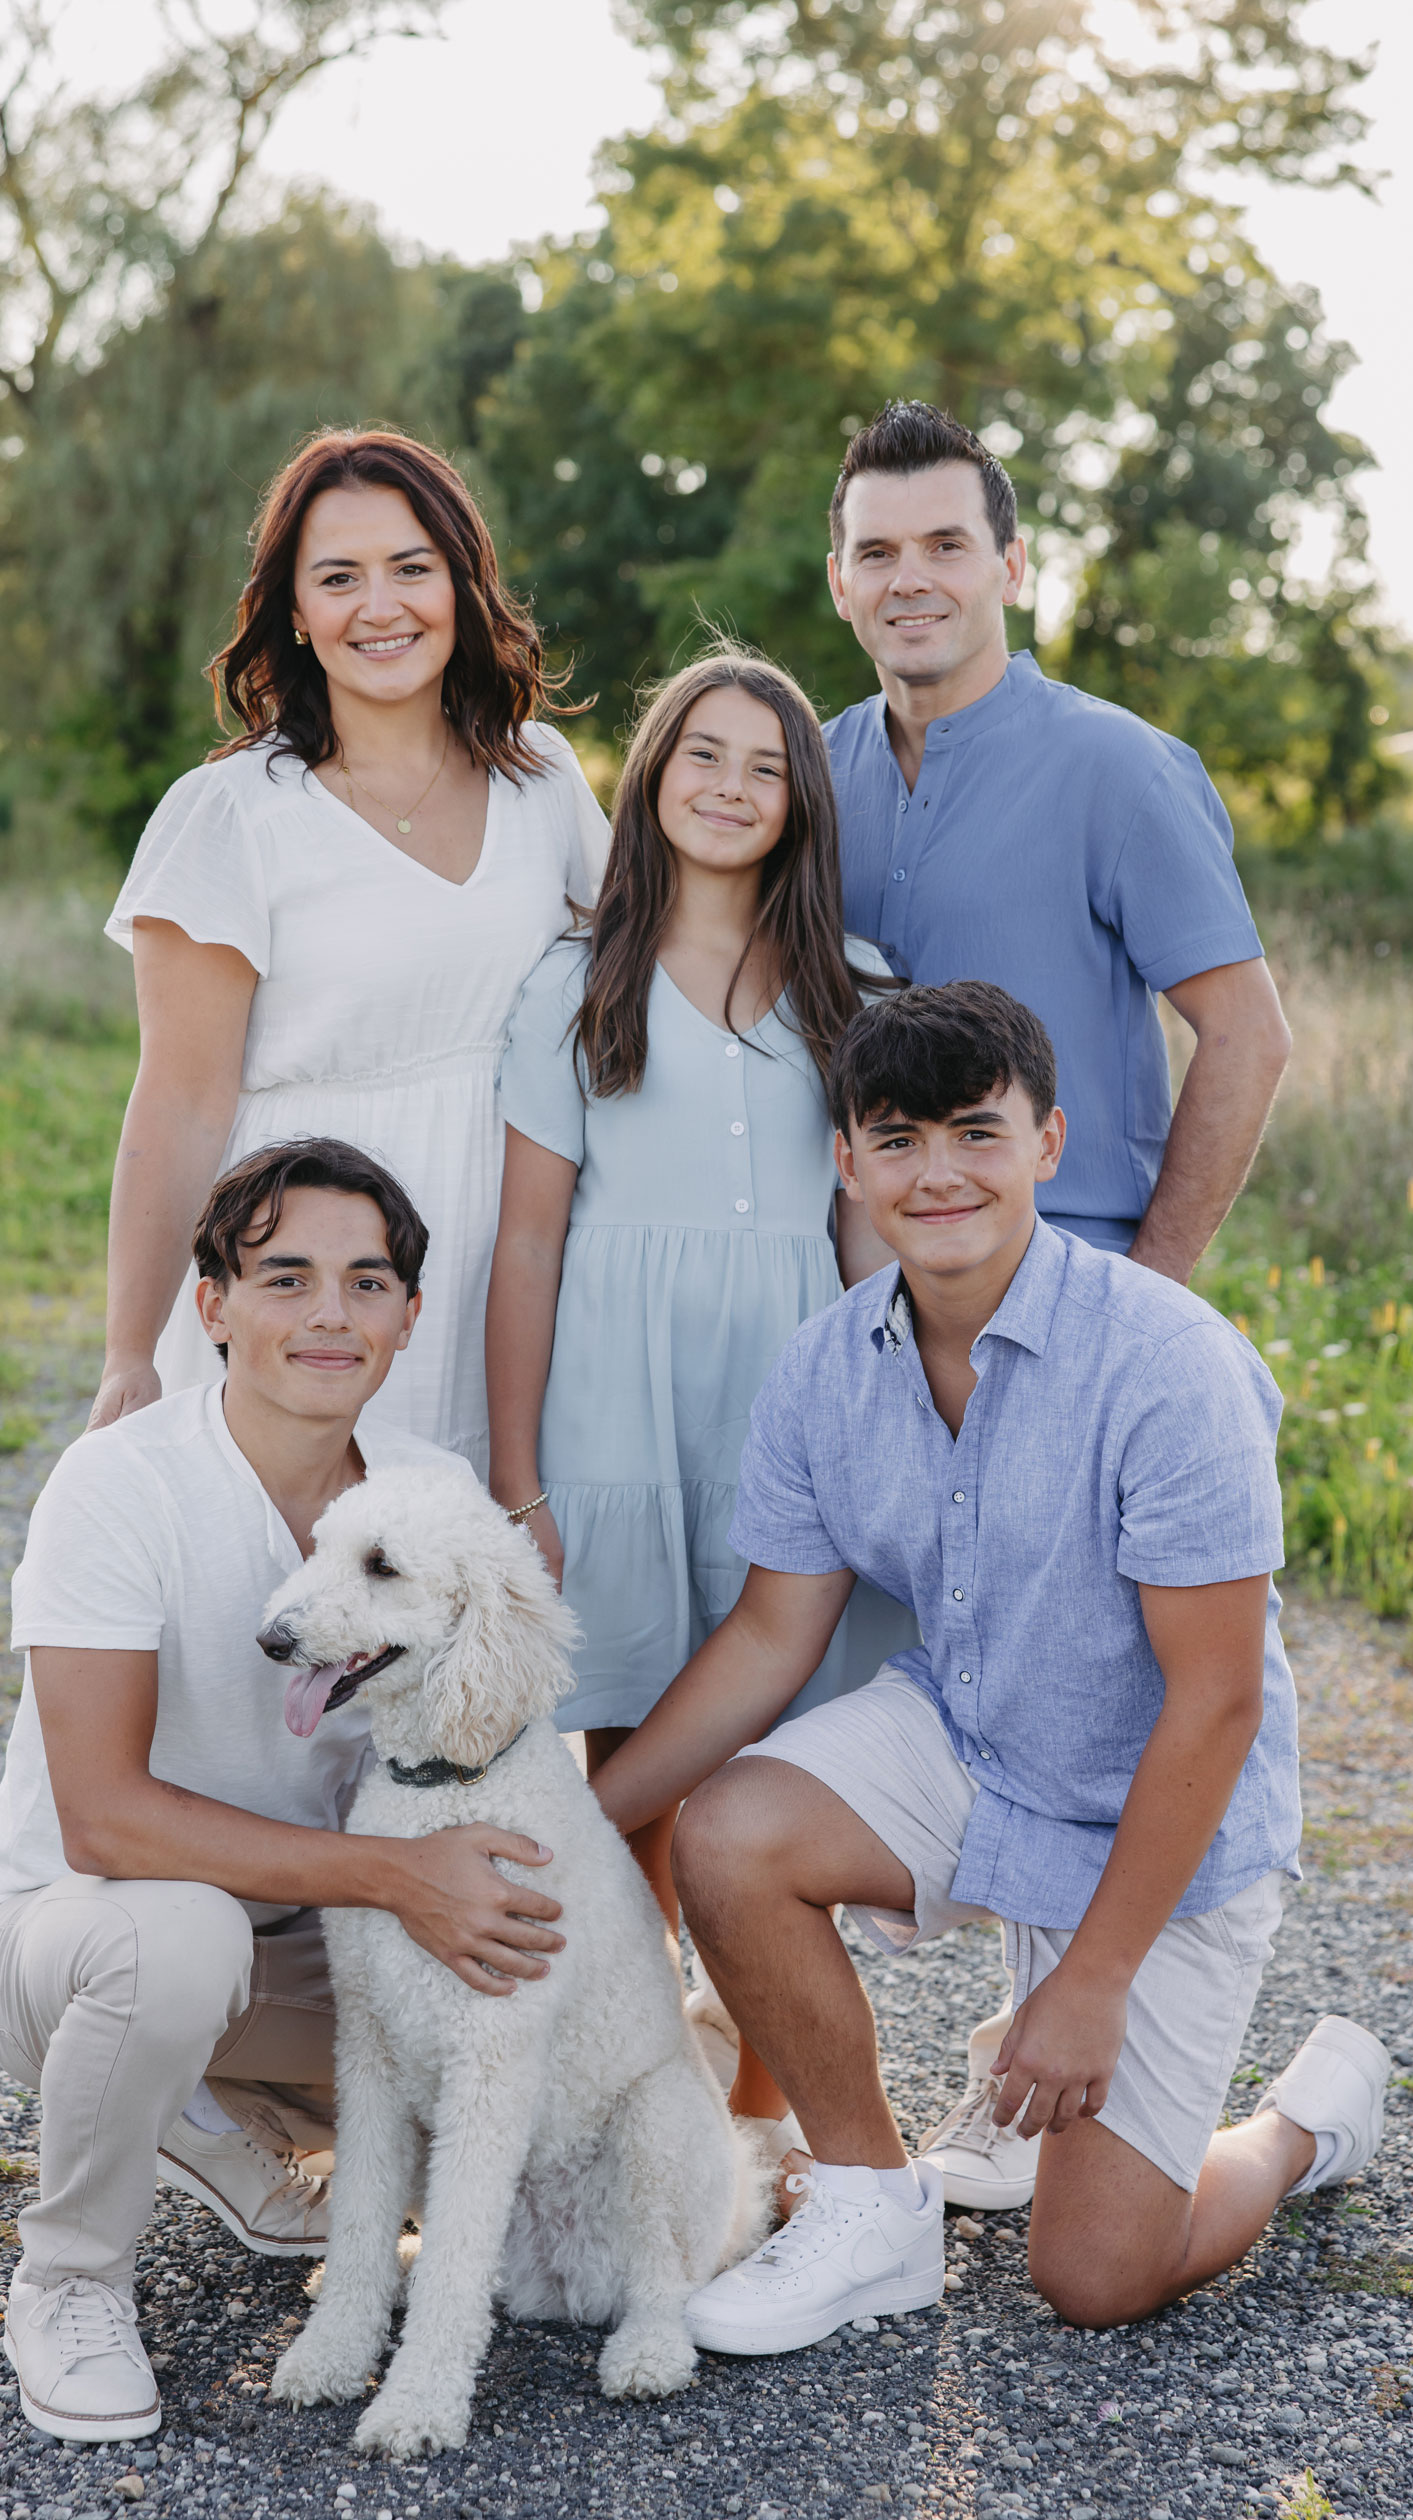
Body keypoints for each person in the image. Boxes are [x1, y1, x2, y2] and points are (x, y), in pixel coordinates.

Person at [591, 983, 1389, 2350]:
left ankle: (1304, 2125)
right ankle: (869, 2207)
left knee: (1097, 2277)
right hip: (976, 1746)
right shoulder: (824, 1368)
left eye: (977, 1132)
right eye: (898, 1140)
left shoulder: (1170, 1364)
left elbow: (1217, 1702)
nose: (940, 1173)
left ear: (1048, 1144)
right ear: (848, 1163)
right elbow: (771, 1637)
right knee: (728, 1833)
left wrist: (1091, 1981)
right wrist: (582, 1822)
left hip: (1156, 1816)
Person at [822, 400, 1296, 2205]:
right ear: (840, 579)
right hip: (884, 1325)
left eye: (948, 543)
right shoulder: (816, 772)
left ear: (1012, 566)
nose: (913, 578)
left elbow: (1245, 1035)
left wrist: (1145, 1305)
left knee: (1115, 1701)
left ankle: (1130, 2060)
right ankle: (873, 2083)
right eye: (878, 548)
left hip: (1078, 1308)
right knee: (943, 1689)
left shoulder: (1116, 769)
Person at [0, 1140, 567, 2442]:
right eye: (287, 1278)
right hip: (77, 1935)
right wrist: (399, 1877)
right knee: (182, 1942)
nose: (331, 1313)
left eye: (366, 1282)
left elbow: (496, 1769)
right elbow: (105, 1818)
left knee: (559, 2063)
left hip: (313, 1946)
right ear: (213, 1306)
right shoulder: (118, 1482)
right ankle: (70, 2282)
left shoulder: (430, 1496)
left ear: (408, 1315)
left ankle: (217, 2112)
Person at [484, 648, 917, 2174]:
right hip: (616, 1406)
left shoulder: (853, 987)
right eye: (702, 757)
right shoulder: (575, 980)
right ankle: (635, 2079)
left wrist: (901, 1433)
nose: (731, 788)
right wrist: (521, 1476)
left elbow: (868, 1238)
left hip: (785, 1396)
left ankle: (763, 2114)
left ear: (801, 805)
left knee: (772, 1749)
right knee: (633, 1746)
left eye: (765, 768)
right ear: (654, 779)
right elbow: (527, 1241)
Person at [89, 428, 609, 1473]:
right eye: (339, 578)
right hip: (307, 1265)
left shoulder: (542, 778)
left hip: (502, 1260)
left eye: (412, 568)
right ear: (294, 609)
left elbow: (644, 979)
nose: (381, 607)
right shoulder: (230, 814)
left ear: (461, 584)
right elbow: (180, 1102)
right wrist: (128, 1355)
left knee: (468, 1547)